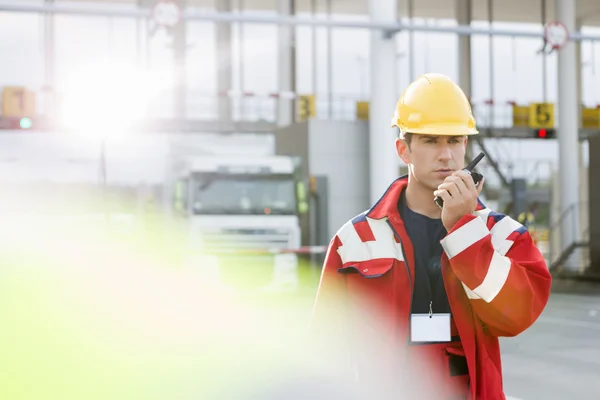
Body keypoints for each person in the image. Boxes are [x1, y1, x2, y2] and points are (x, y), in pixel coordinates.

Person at [310, 73, 552, 400]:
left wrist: (465, 229)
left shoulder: (501, 234)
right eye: (430, 140)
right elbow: (326, 345)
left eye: (454, 141)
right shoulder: (355, 238)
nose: (445, 155)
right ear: (403, 150)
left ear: (466, 146)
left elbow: (517, 317)